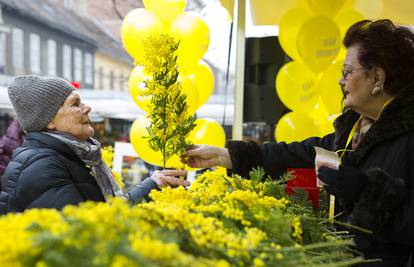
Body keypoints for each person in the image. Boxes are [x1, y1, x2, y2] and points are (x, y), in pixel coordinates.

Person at [183, 19, 414, 266]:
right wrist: (228, 156)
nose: (340, 82)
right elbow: (302, 153)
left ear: (377, 77)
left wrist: (364, 193)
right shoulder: (356, 128)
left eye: (347, 72)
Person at [0, 75, 188, 214]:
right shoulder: (43, 167)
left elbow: (105, 214)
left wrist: (153, 183)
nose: (87, 108)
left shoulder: (66, 157)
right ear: (49, 121)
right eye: (75, 104)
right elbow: (89, 234)